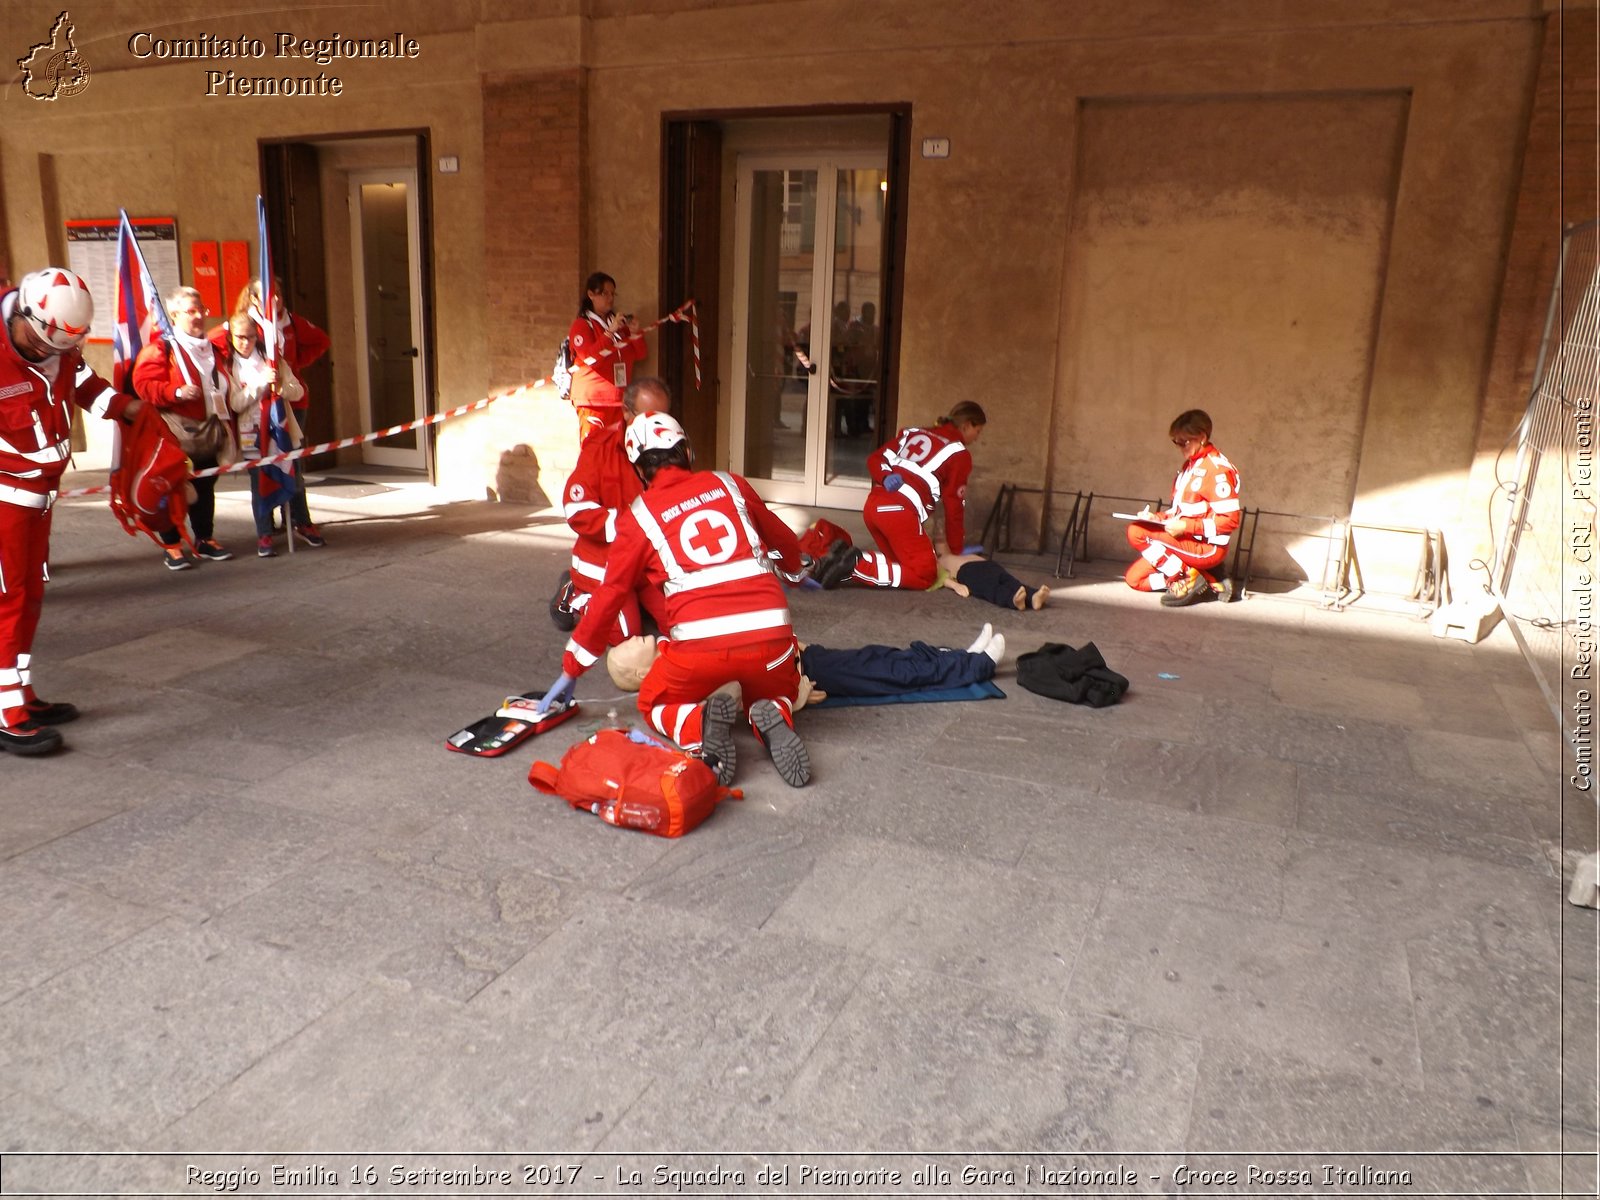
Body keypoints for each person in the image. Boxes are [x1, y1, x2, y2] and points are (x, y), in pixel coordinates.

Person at [535, 412, 813, 788]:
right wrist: (795, 573)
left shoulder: (637, 517)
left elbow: (611, 594)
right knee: (778, 688)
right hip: (771, 638)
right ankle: (771, 713)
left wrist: (572, 668)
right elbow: (781, 537)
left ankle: (700, 729)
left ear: (639, 471)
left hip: (701, 649)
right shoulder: (730, 484)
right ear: (688, 451)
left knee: (653, 701)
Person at [0, 268, 142, 754]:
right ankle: (6, 714)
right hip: (3, 503)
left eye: (59, 348)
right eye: (40, 344)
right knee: (6, 602)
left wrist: (128, 408)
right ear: (22, 312)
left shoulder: (59, 343)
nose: (48, 355)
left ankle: (20, 694)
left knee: (29, 596)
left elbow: (86, 386)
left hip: (37, 501)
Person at [605, 623, 1006, 707]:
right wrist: (793, 696)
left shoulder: (675, 653)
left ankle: (957, 656)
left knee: (878, 655)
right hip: (800, 673)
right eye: (629, 648)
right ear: (641, 674)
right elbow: (735, 691)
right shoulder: (673, 677)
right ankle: (974, 667)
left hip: (796, 657)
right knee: (883, 671)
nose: (633, 638)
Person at [814, 400, 987, 591]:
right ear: (967, 424)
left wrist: (885, 476)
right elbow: (954, 506)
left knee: (899, 563)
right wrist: (956, 550)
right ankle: (856, 566)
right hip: (898, 514)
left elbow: (874, 458)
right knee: (925, 574)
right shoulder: (959, 454)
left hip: (874, 508)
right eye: (978, 431)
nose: (977, 438)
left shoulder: (913, 433)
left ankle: (840, 559)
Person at [553, 376, 672, 639]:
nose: (657, 425)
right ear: (626, 412)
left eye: (663, 416)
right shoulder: (599, 448)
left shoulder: (671, 444)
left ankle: (634, 599)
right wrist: (629, 525)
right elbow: (576, 510)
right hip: (604, 559)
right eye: (648, 416)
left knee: (679, 621)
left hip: (647, 560)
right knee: (625, 634)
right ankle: (574, 592)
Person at [132, 286, 237, 570]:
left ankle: (205, 539)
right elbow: (142, 386)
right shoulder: (161, 350)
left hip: (208, 433)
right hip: (174, 436)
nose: (199, 316)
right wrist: (175, 393)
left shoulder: (213, 348)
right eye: (191, 311)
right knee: (173, 490)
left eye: (201, 310)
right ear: (175, 315)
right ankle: (173, 545)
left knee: (205, 487)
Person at [235, 277, 329, 548]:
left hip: (291, 403)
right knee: (261, 466)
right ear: (253, 299)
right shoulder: (243, 325)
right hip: (254, 407)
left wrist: (294, 366)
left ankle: (300, 520)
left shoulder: (291, 322)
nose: (274, 300)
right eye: (267, 295)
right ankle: (267, 524)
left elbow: (321, 341)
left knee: (293, 464)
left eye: (277, 293)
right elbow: (220, 346)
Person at [1124, 408, 1241, 606]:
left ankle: (1187, 576)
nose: (1179, 447)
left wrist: (1186, 527)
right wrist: (1156, 518)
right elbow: (1180, 512)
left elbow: (1230, 520)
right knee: (1134, 580)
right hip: (1184, 541)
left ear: (1202, 437)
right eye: (1175, 441)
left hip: (1207, 548)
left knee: (1136, 532)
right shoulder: (1190, 466)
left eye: (1183, 441)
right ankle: (1208, 580)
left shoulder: (1217, 469)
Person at [211, 312, 300, 559]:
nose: (245, 342)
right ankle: (264, 532)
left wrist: (282, 386)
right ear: (231, 338)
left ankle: (294, 523)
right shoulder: (228, 367)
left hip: (278, 430)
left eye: (250, 337)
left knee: (286, 475)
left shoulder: (273, 360)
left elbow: (298, 390)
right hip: (250, 434)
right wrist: (260, 384)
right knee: (258, 484)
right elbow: (236, 403)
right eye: (239, 337)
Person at [566, 272, 646, 443]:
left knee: (616, 453)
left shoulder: (618, 323)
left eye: (612, 294)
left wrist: (634, 333)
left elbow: (640, 354)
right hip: (593, 400)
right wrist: (610, 332)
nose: (610, 298)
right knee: (594, 451)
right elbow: (590, 358)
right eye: (604, 293)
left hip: (618, 398)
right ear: (591, 295)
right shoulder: (582, 325)